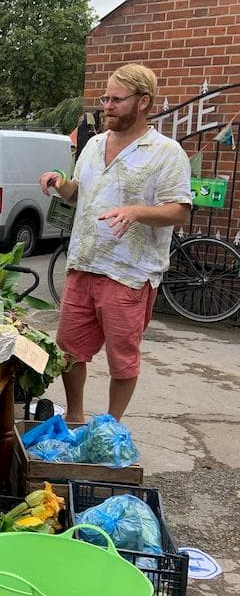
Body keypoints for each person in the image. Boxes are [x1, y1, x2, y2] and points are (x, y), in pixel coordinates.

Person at [39, 63, 192, 423]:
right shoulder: (92, 144)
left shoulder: (165, 153)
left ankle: (110, 425)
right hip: (83, 264)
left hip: (129, 274)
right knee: (70, 351)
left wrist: (137, 212)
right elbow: (80, 193)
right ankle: (75, 416)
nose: (107, 105)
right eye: (105, 97)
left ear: (143, 102)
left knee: (122, 359)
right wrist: (61, 184)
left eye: (117, 99)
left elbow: (179, 210)